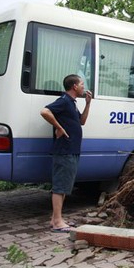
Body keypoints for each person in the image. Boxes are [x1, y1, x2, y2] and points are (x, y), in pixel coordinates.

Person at [40, 74, 92, 232]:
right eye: (82, 84)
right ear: (74, 86)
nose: (84, 86)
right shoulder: (64, 101)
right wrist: (59, 127)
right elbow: (44, 111)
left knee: (65, 185)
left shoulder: (72, 103)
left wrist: (88, 104)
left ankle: (55, 219)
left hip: (72, 149)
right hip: (65, 150)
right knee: (60, 186)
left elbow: (82, 121)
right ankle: (57, 222)